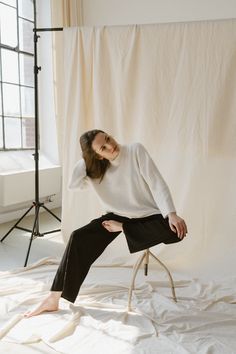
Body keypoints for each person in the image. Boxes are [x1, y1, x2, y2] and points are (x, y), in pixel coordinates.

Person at [24, 129, 188, 317]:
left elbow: (157, 182)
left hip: (147, 215)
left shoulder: (135, 150)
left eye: (108, 139)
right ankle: (53, 298)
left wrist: (171, 213)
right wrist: (87, 160)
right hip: (117, 215)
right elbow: (73, 185)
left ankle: (126, 229)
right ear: (98, 156)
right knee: (78, 237)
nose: (111, 145)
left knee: (175, 231)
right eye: (103, 147)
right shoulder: (94, 169)